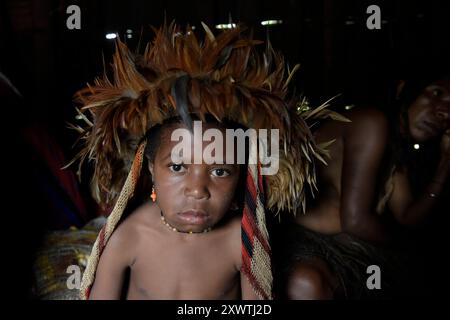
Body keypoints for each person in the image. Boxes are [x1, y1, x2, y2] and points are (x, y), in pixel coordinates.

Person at [72, 22, 328, 300]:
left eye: (220, 171)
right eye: (178, 167)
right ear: (149, 169)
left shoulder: (241, 243)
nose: (197, 189)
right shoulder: (130, 236)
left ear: (243, 178)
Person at [275, 70, 450, 299]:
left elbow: (409, 216)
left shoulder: (396, 151)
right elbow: (356, 221)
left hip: (345, 249)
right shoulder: (370, 121)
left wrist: (445, 163)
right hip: (302, 240)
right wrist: (409, 245)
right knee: (306, 282)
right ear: (403, 89)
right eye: (436, 93)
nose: (443, 112)